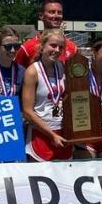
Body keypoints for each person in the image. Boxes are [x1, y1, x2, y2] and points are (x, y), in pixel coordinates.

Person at [21, 28, 72, 161]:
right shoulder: (32, 71)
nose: (56, 50)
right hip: (41, 133)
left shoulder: (63, 67)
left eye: (60, 47)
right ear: (42, 46)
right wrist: (51, 135)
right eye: (53, 45)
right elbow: (27, 111)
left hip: (63, 132)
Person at [14, 0, 77, 67]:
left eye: (59, 13)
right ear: (41, 16)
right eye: (52, 12)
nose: (56, 16)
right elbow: (17, 74)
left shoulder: (72, 48)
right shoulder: (27, 48)